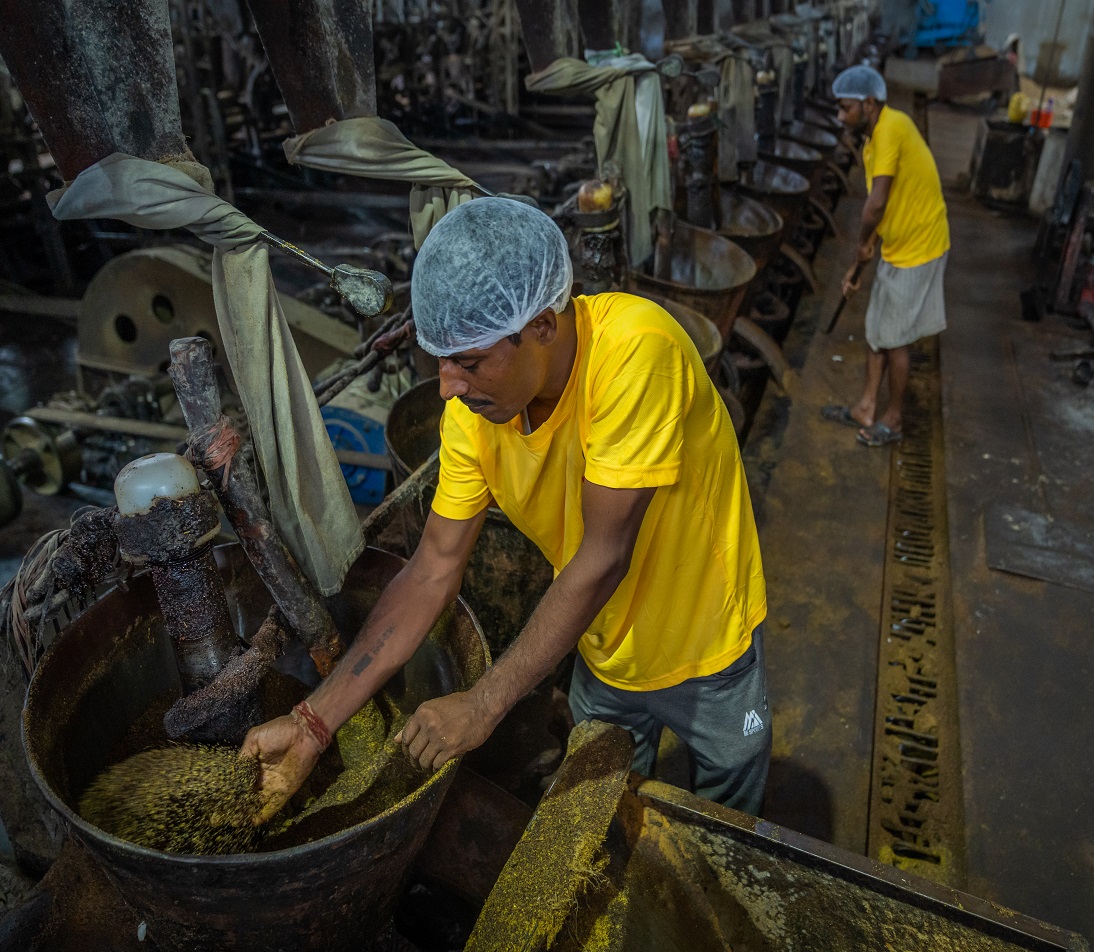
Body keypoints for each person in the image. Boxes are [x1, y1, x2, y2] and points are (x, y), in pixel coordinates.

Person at [240, 197, 771, 818]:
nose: (447, 386)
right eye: (442, 360)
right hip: (601, 645)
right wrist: (312, 725)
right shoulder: (475, 415)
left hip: (706, 648)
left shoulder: (636, 353)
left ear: (542, 326)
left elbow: (604, 556)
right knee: (607, 811)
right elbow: (432, 570)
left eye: (469, 362)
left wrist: (485, 703)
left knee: (725, 821)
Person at [821, 65, 950, 446]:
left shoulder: (892, 128)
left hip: (919, 246)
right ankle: (865, 407)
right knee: (877, 329)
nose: (840, 116)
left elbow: (875, 204)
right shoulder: (872, 140)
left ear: (869, 103)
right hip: (899, 244)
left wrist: (862, 244)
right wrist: (859, 263)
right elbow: (884, 205)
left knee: (895, 339)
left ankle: (893, 421)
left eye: (845, 108)